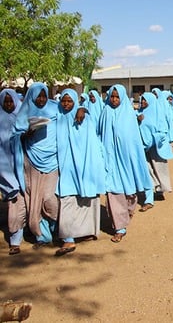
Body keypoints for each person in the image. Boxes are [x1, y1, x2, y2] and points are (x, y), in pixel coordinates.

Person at [98, 84, 153, 242]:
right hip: (109, 160)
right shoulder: (105, 112)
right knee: (112, 193)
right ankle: (120, 227)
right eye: (112, 96)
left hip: (126, 161)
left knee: (129, 194)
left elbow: (133, 140)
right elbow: (99, 132)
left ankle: (127, 212)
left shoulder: (128, 113)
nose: (114, 100)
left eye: (117, 97)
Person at [55, 89, 105, 256]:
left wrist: (83, 109)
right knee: (67, 199)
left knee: (86, 200)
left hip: (85, 166)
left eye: (70, 101)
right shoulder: (58, 117)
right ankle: (68, 239)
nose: (66, 104)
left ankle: (86, 232)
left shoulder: (84, 117)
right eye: (64, 101)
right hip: (67, 167)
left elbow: (91, 141)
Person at [12, 83, 61, 249]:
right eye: (38, 96)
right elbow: (14, 136)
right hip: (31, 161)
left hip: (52, 160)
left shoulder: (55, 109)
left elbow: (71, 113)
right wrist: (25, 134)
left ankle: (56, 228)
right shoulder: (25, 112)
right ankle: (42, 235)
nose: (41, 99)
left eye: (44, 95)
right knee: (35, 200)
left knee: (49, 198)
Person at [137, 92, 173, 206]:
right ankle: (149, 195)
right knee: (147, 170)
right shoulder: (139, 114)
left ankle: (160, 190)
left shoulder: (158, 114)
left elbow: (163, 132)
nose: (143, 102)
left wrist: (153, 139)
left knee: (159, 169)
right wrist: (138, 120)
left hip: (156, 147)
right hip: (143, 148)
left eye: (145, 100)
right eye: (142, 100)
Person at [0, 89, 25, 255]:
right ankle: (15, 240)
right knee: (14, 202)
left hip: (24, 166)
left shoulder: (22, 117)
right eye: (6, 101)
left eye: (11, 101)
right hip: (5, 168)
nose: (9, 104)